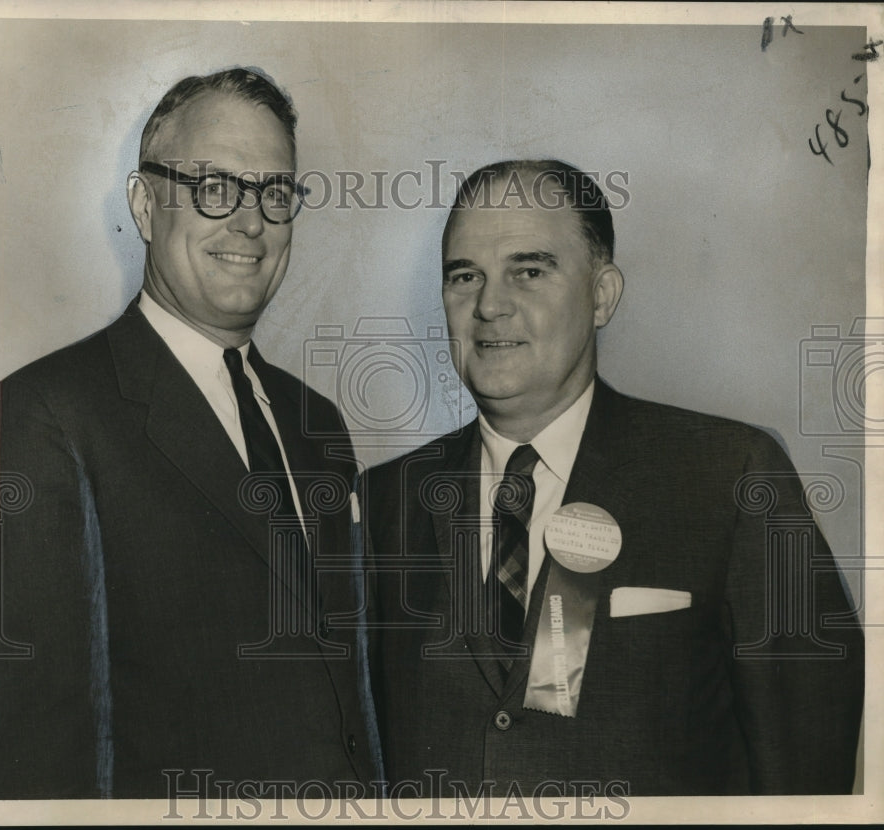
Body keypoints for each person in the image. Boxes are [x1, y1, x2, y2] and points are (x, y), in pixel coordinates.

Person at [361, 159, 864, 796]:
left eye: (530, 270)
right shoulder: (380, 505)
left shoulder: (732, 478)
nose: (490, 305)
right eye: (466, 276)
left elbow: (807, 765)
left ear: (602, 296)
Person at [0, 68, 378, 800]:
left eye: (275, 192)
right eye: (214, 186)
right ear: (145, 206)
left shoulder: (319, 425)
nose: (251, 221)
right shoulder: (40, 417)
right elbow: (32, 756)